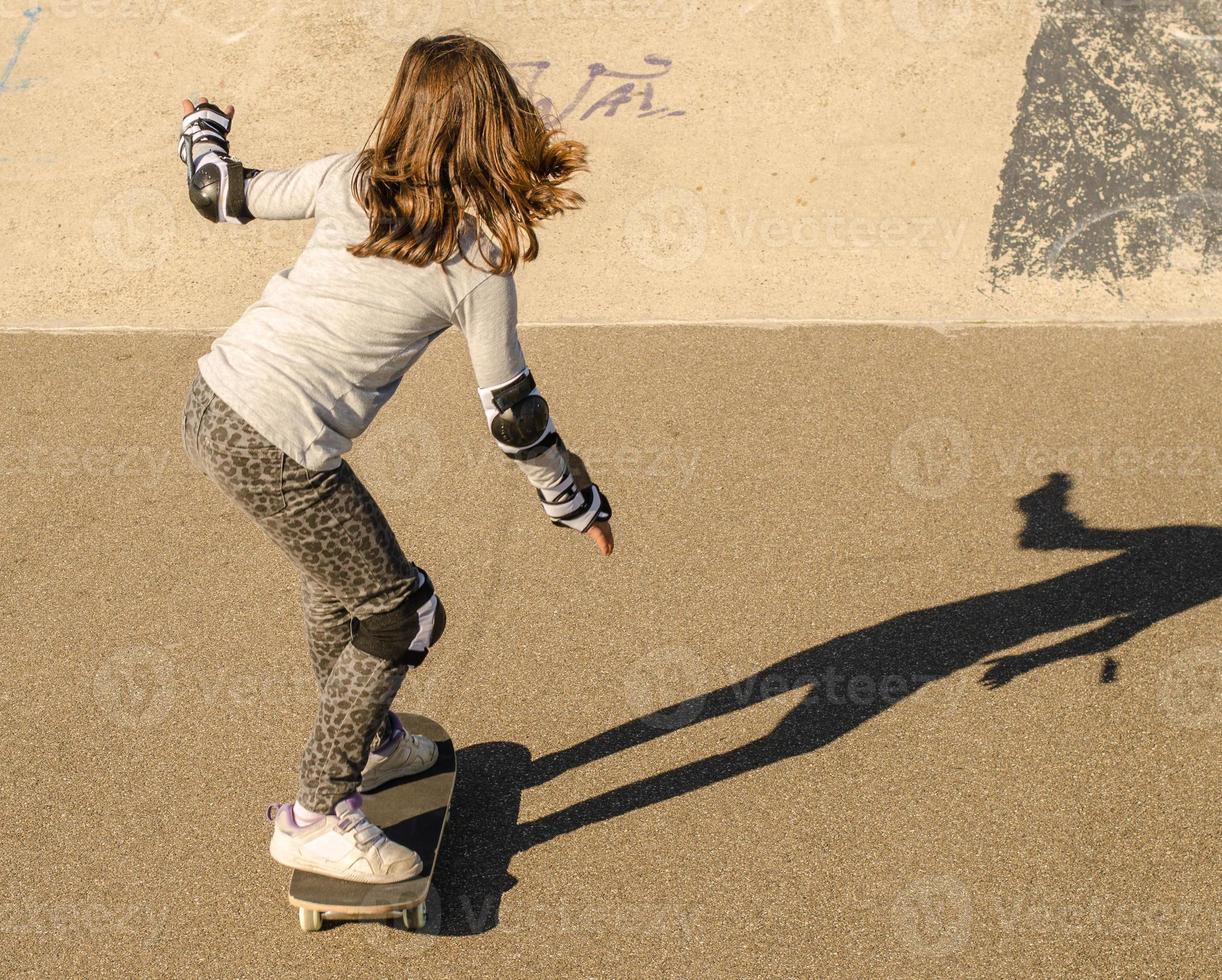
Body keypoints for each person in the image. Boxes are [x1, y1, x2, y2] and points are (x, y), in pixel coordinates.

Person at [178, 34, 613, 885]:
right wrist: (574, 500)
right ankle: (315, 810)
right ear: (499, 122)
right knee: (404, 614)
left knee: (342, 581)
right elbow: (514, 417)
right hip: (276, 441)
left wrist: (201, 129)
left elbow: (217, 193)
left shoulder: (349, 174)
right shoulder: (478, 256)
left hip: (214, 399)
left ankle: (373, 743)